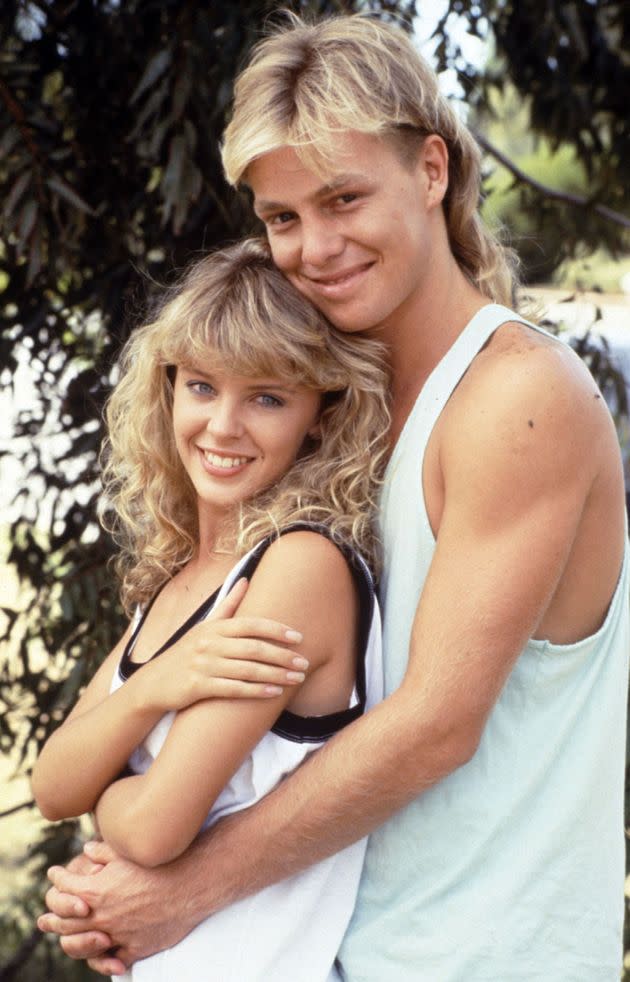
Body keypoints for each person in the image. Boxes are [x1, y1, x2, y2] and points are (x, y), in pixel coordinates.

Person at [38, 13, 629, 981]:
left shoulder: (515, 398)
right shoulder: (335, 425)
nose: (314, 247)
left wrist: (181, 892)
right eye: (281, 218)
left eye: (344, 197)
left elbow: (438, 720)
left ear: (432, 171)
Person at [31, 236, 389, 981]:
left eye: (266, 396)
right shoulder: (183, 583)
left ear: (319, 413)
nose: (223, 427)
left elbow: (157, 829)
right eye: (201, 386)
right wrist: (163, 680)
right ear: (166, 389)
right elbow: (53, 784)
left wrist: (108, 800)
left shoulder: (300, 566)